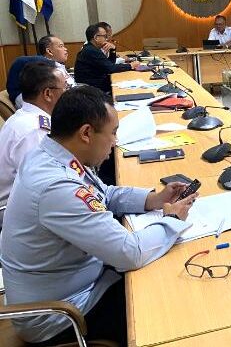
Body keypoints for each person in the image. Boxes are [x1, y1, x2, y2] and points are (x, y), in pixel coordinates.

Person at [0, 86, 197, 345]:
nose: (115, 141)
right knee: (167, 303)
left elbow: (103, 194)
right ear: (86, 133)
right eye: (113, 133)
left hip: (78, 281)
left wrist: (153, 200)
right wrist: (171, 220)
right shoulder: (56, 186)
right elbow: (129, 253)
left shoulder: (51, 153)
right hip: (61, 314)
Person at [0, 62, 67, 225]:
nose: (68, 93)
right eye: (65, 88)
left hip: (26, 201)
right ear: (48, 94)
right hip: (13, 211)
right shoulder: (34, 131)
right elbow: (42, 186)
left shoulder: (25, 117)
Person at [74, 24, 139, 94]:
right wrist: (130, 65)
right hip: (92, 90)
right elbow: (111, 68)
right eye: (105, 36)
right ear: (96, 37)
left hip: (97, 85)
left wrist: (113, 50)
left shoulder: (92, 48)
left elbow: (110, 64)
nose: (107, 39)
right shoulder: (91, 51)